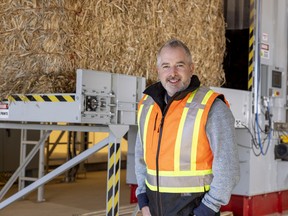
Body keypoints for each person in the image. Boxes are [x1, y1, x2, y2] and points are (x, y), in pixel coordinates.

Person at [135, 39, 240, 216]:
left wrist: (206, 210)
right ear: (158, 70)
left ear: (192, 68)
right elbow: (140, 154)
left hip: (196, 210)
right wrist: (143, 199)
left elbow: (228, 168)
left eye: (180, 65)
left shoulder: (212, 107)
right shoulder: (147, 104)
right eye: (166, 66)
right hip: (153, 210)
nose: (172, 73)